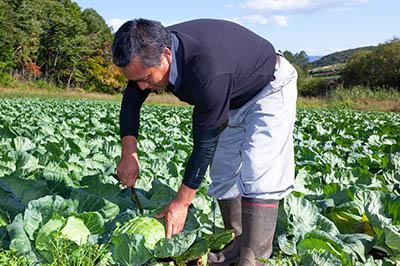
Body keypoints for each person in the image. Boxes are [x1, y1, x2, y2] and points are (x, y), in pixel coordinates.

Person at [113, 18, 297, 265]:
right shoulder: (148, 49)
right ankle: (234, 246)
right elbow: (131, 101)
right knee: (223, 171)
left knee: (259, 170)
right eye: (134, 79)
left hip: (269, 88)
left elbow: (204, 143)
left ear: (166, 55)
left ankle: (253, 259)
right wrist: (129, 154)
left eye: (146, 78)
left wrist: (181, 202)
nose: (142, 86)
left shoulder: (206, 70)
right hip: (230, 98)